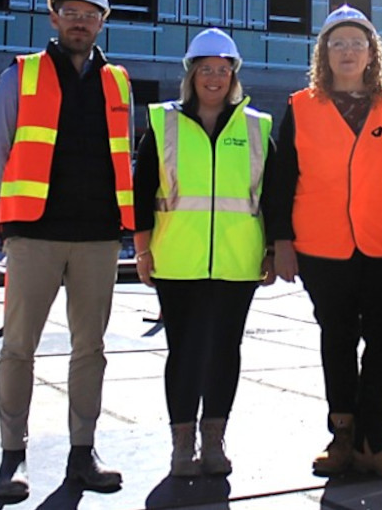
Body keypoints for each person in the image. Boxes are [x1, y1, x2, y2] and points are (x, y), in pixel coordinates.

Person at [0, 0, 134, 501]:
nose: (81, 22)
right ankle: (11, 460)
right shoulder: (19, 75)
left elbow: (122, 158)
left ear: (102, 23)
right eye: (71, 12)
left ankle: (82, 453)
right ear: (53, 16)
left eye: (91, 15)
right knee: (18, 347)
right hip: (34, 237)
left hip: (97, 237)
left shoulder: (117, 82)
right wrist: (20, 215)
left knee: (89, 348)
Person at [270, 5, 382, 479]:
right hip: (323, 249)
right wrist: (280, 240)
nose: (347, 51)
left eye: (356, 42)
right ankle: (342, 436)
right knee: (337, 340)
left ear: (371, 52)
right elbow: (281, 180)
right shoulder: (301, 106)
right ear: (324, 52)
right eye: (337, 42)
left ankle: (373, 442)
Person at [132, 28, 277, 477]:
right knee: (185, 351)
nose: (214, 78)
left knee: (224, 351)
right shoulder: (163, 123)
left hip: (238, 260)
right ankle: (182, 445)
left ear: (233, 75)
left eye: (222, 70)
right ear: (191, 74)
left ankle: (214, 439)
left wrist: (271, 249)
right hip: (177, 259)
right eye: (205, 70)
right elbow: (141, 191)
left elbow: (272, 194)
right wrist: (141, 249)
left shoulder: (258, 126)